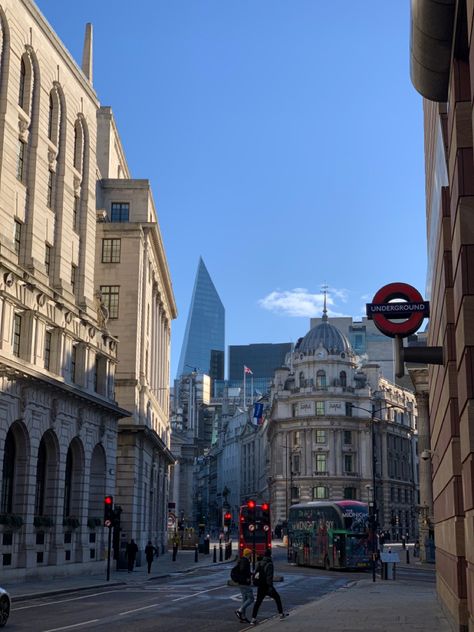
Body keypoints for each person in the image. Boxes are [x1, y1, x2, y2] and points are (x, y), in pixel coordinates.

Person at [250, 548, 288, 625]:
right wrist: (270, 586)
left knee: (258, 602)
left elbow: (256, 573)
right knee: (277, 598)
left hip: (260, 585)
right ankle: (281, 615)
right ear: (270, 555)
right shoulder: (269, 564)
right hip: (267, 586)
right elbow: (269, 577)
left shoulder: (259, 562)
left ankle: (253, 619)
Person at [234, 548, 254, 624]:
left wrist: (250, 573)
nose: (251, 555)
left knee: (244, 599)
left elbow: (242, 571)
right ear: (247, 554)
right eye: (250, 554)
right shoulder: (245, 561)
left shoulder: (241, 560)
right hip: (244, 583)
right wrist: (248, 576)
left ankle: (243, 617)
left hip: (241, 582)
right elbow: (243, 571)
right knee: (251, 599)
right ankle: (239, 610)